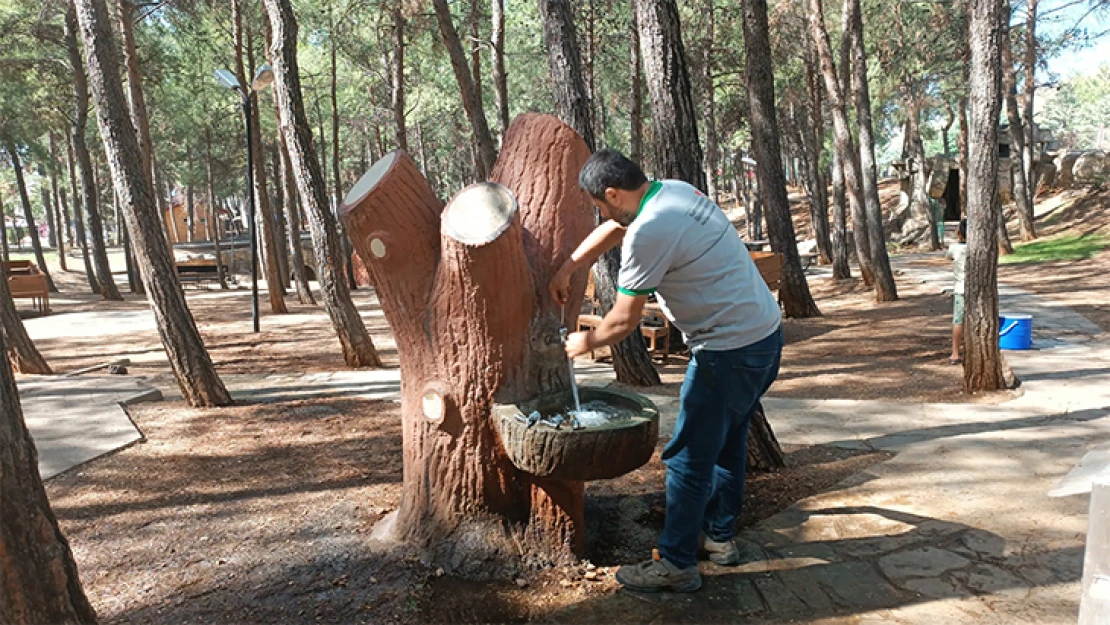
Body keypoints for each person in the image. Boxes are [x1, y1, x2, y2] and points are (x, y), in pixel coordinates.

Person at [549, 149, 783, 593]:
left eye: (599, 204)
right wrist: (570, 265)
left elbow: (622, 321)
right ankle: (719, 538)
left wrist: (584, 342)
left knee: (687, 459)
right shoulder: (672, 193)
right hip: (764, 338)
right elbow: (616, 226)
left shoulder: (650, 233)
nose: (601, 213)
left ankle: (675, 563)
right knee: (729, 444)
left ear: (614, 192)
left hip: (726, 350)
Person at [946, 219, 968, 365]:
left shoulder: (954, 248)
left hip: (961, 289)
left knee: (958, 320)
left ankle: (955, 353)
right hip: (979, 289)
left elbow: (948, 257)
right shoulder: (980, 246)